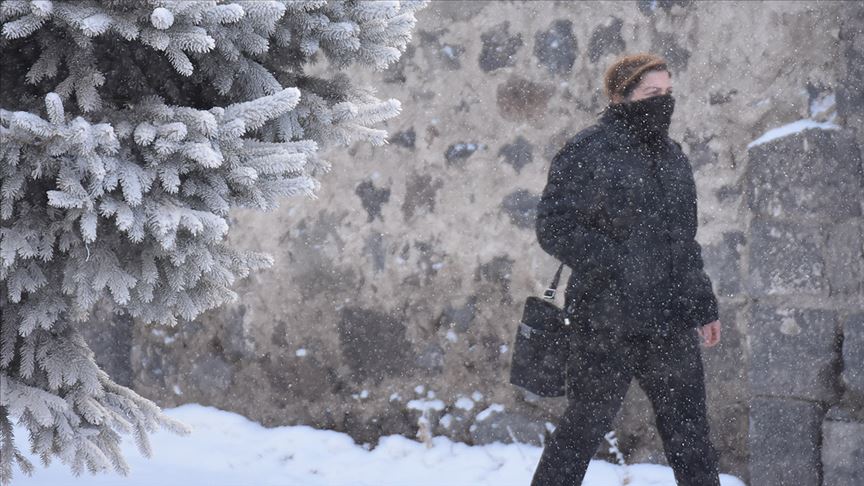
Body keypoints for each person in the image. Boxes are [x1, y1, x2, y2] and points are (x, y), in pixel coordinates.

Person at [530, 53, 723, 486]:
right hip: (606, 321)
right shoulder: (589, 149)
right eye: (652, 93)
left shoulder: (673, 156)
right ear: (621, 95)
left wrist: (703, 305)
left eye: (668, 93)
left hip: (670, 319)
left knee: (691, 437)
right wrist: (618, 264)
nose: (663, 101)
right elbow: (554, 226)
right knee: (581, 431)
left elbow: (683, 241)